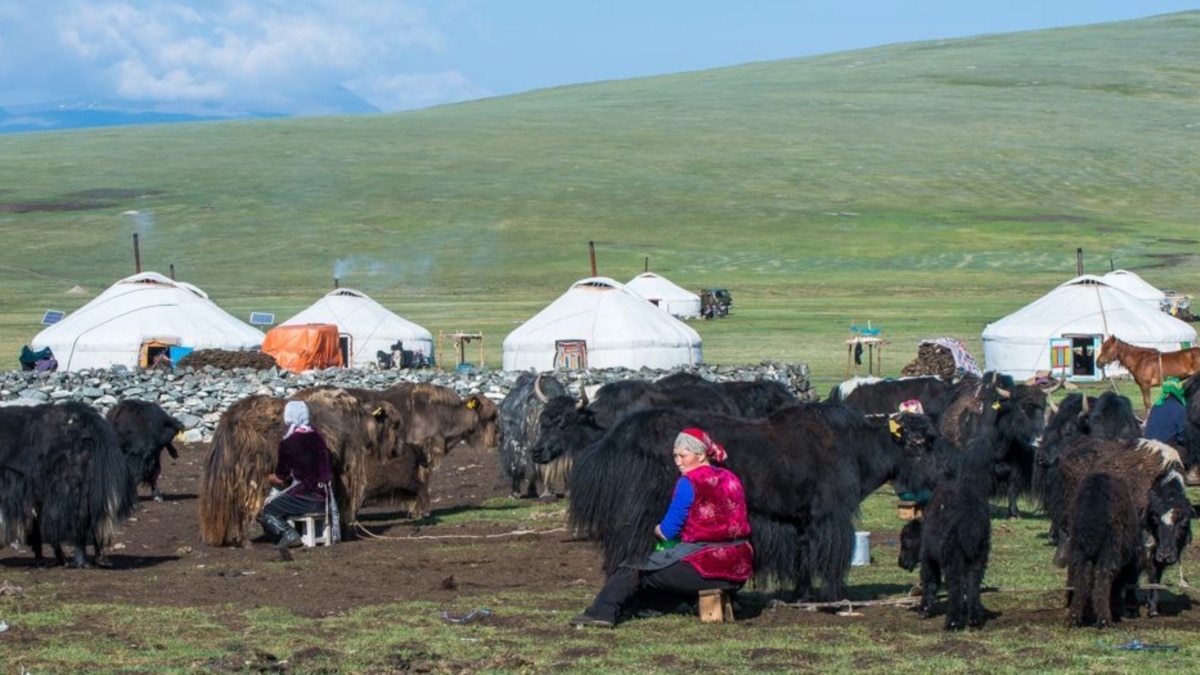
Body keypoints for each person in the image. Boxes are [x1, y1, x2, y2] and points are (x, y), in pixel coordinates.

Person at [569, 427, 753, 628]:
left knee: (633, 567)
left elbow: (668, 531)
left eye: (683, 455)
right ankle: (653, 606)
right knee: (668, 569)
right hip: (740, 567)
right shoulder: (730, 477)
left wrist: (656, 530)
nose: (677, 462)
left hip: (706, 568)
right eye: (675, 456)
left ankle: (601, 612)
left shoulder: (689, 482)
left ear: (700, 455)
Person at [257, 401, 338, 561]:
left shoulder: (288, 443)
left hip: (305, 495)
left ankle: (289, 534)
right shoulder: (319, 438)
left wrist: (265, 476)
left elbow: (281, 477)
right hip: (326, 495)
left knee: (266, 511)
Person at [1143, 376, 1187, 447]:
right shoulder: (1179, 408)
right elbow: (1183, 436)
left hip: (1148, 447)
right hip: (1164, 450)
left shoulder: (1156, 405)